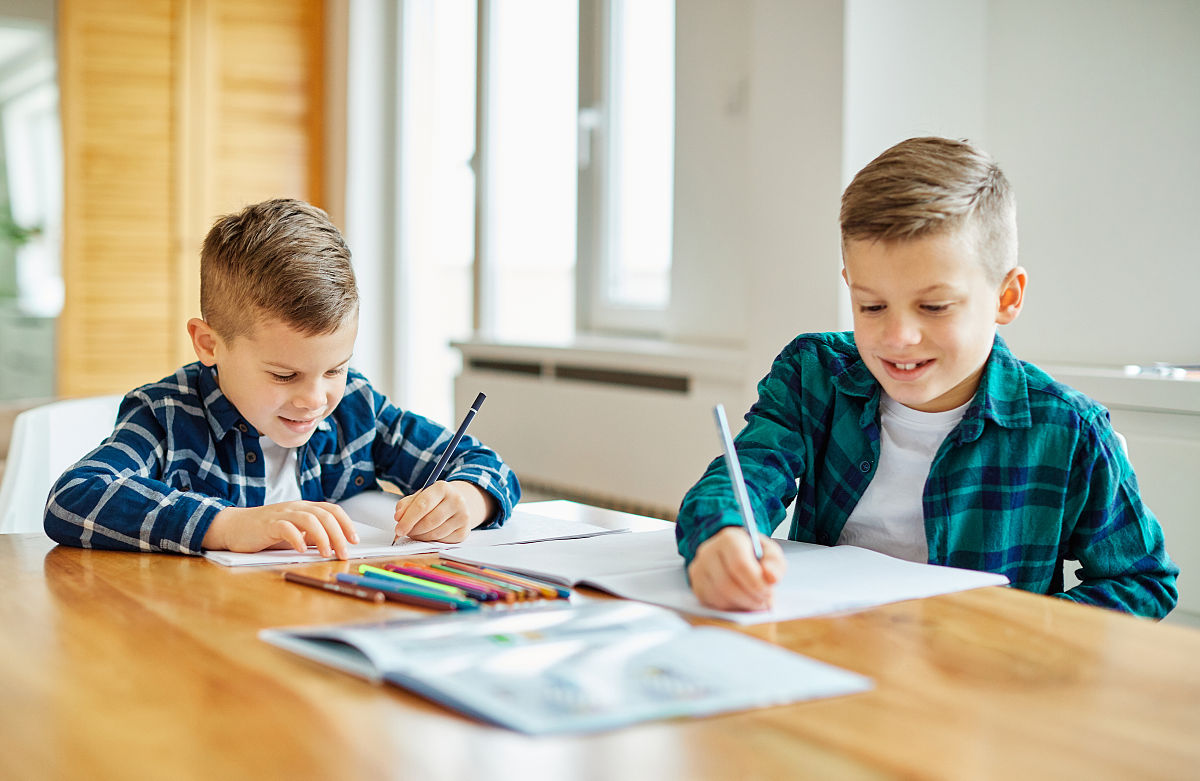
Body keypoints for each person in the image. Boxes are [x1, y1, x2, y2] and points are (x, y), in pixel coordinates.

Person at [675, 137, 1177, 618]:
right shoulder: (814, 375)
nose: (898, 337)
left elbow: (1142, 582)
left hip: (972, 683)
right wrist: (723, 535)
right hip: (829, 658)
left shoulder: (1069, 431)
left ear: (1007, 298)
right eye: (871, 305)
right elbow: (746, 477)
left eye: (934, 306)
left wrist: (1014, 629)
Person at [45, 198, 519, 559]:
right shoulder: (166, 415)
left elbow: (487, 464)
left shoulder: (357, 409)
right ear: (209, 344)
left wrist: (466, 498)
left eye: (335, 368)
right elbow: (73, 499)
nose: (315, 398)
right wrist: (229, 526)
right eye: (284, 374)